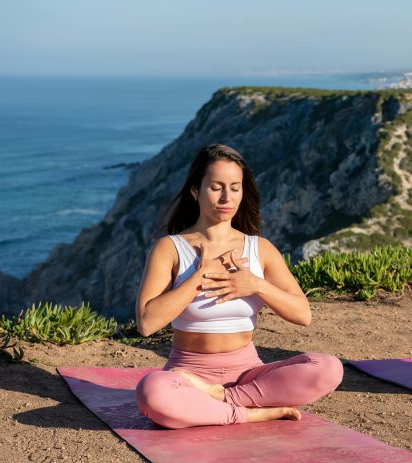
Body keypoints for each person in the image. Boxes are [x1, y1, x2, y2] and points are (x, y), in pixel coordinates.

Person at [134, 144, 343, 428]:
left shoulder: (260, 248)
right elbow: (146, 323)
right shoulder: (170, 248)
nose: (226, 197)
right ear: (195, 191)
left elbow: (303, 315)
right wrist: (198, 278)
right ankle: (246, 412)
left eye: (235, 187)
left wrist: (256, 285)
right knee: (152, 392)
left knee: (329, 368)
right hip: (188, 374)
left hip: (248, 373)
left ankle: (221, 399)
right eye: (216, 187)